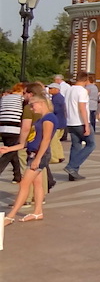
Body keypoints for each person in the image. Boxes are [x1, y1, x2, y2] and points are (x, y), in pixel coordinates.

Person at [2, 84, 58, 225]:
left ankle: (11, 215)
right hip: (34, 153)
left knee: (24, 184)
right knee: (37, 183)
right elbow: (30, 141)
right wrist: (9, 149)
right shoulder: (41, 119)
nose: (32, 109)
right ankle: (38, 211)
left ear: (41, 103)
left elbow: (46, 140)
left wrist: (38, 158)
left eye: (33, 106)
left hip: (38, 155)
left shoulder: (48, 119)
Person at [64, 72, 96, 181]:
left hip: (70, 121)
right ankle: (72, 166)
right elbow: (82, 107)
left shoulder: (69, 90)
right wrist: (87, 124)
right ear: (86, 80)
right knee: (91, 144)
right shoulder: (82, 91)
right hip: (80, 122)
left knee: (76, 146)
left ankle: (73, 173)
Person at [0, 83, 24, 184]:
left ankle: (17, 176)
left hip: (3, 127)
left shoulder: (5, 98)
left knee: (12, 150)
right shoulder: (21, 99)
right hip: (14, 127)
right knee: (10, 152)